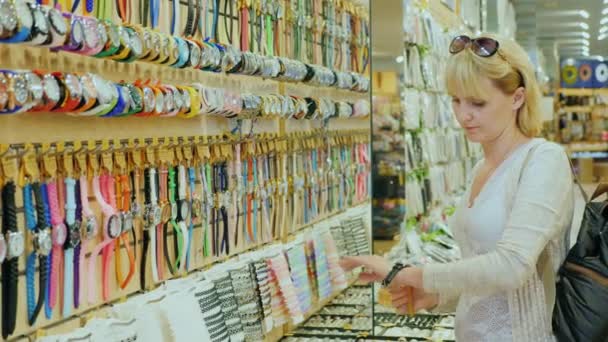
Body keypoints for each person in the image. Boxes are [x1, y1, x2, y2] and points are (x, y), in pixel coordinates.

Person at [341, 34, 575, 341]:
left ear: (517, 98)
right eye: (455, 99)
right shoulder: (481, 168)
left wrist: (408, 273)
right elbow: (479, 269)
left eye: (477, 102)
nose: (463, 115)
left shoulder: (543, 160)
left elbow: (512, 266)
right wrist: (438, 296)